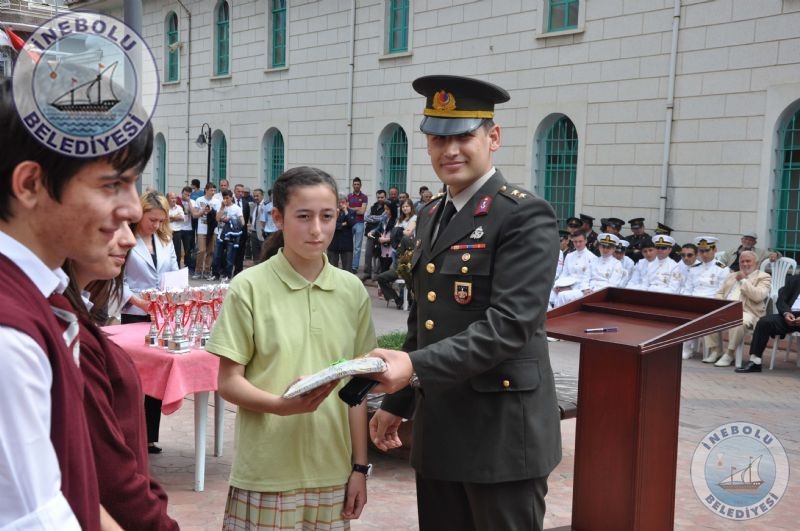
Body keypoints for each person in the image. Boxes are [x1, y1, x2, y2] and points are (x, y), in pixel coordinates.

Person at [367, 75, 561, 531]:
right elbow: (425, 319)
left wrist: (412, 367)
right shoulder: (432, 214)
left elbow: (509, 325)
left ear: (493, 138)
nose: (449, 150)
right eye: (438, 139)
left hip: (501, 434)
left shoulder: (523, 215)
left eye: (463, 137)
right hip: (440, 428)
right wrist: (399, 401)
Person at [0, 75, 150, 529]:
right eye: (112, 184)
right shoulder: (10, 333)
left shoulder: (37, 300)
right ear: (31, 184)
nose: (133, 209)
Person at [205, 166, 376, 529]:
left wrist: (359, 467)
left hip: (332, 472)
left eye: (327, 216)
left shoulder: (351, 291)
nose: (317, 229)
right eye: (303, 216)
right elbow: (228, 382)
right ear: (278, 218)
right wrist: (280, 407)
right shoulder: (249, 287)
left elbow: (357, 388)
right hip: (266, 473)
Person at [63, 223, 179, 530]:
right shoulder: (66, 332)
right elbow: (108, 477)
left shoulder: (74, 320)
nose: (128, 239)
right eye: (113, 222)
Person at [121, 192, 180, 454]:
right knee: (133, 375)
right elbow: (117, 278)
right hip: (134, 311)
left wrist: (174, 297)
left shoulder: (166, 239)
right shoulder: (127, 238)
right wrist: (136, 301)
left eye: (160, 221)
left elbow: (174, 272)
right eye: (152, 219)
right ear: (140, 214)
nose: (155, 225)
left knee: (155, 373)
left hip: (161, 314)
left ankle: (149, 436)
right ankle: (129, 433)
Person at [703, 250, 771, 367]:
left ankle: (729, 353)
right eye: (742, 261)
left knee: (739, 320)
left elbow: (758, 296)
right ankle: (716, 350)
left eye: (748, 261)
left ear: (757, 263)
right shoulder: (732, 275)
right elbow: (720, 293)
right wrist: (721, 303)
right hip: (726, 309)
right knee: (707, 318)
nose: (745, 264)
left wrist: (744, 280)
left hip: (749, 312)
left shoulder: (763, 277)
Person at [737, 273, 800, 373]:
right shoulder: (795, 279)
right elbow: (781, 300)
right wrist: (786, 313)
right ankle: (755, 362)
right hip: (790, 315)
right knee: (764, 322)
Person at [680, 236, 729, 360]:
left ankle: (714, 350)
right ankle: (686, 347)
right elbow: (688, 288)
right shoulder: (694, 268)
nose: (704, 254)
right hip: (695, 301)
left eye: (707, 250)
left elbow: (722, 292)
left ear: (715, 250)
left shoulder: (722, 269)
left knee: (704, 315)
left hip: (712, 302)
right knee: (682, 312)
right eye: (701, 251)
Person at [554, 233, 627, 307]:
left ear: (613, 249)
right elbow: (585, 278)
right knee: (562, 295)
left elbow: (612, 285)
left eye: (608, 247)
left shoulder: (617, 264)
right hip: (587, 291)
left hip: (602, 295)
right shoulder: (594, 261)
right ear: (599, 247)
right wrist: (585, 289)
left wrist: (595, 292)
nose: (605, 250)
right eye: (603, 246)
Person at [550, 231, 596, 308]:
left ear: (586, 241)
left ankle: (557, 315)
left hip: (581, 289)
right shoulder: (569, 256)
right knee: (549, 295)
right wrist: (558, 285)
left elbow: (589, 278)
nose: (578, 244)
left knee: (562, 295)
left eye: (580, 241)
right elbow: (564, 274)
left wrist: (570, 288)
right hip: (566, 285)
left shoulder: (592, 258)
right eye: (575, 242)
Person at [212, 189, 245, 281]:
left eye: (227, 198)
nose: (225, 200)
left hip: (231, 235)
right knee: (217, 255)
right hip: (220, 234)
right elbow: (217, 219)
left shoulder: (237, 208)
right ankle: (215, 274)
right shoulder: (221, 207)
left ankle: (227, 275)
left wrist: (230, 220)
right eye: (224, 198)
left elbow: (242, 222)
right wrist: (222, 208)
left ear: (231, 198)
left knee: (229, 256)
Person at [192, 182, 220, 280]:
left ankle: (207, 271)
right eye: (211, 190)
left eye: (214, 190)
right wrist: (202, 211)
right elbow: (194, 215)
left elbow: (218, 217)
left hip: (212, 229)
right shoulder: (199, 200)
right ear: (206, 190)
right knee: (201, 250)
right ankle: (198, 270)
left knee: (210, 251)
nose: (213, 192)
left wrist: (212, 211)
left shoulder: (217, 201)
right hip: (202, 229)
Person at [361, 189, 387, 280]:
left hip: (380, 234)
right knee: (368, 254)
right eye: (378, 197)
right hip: (370, 233)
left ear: (385, 197)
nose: (380, 199)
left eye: (382, 197)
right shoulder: (373, 206)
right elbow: (365, 217)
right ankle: (367, 273)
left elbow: (383, 218)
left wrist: (372, 218)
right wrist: (377, 218)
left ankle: (377, 274)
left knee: (379, 254)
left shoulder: (387, 207)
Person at [367, 201, 397, 275]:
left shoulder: (396, 220)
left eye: (387, 209)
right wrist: (372, 232)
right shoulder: (384, 218)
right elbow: (378, 227)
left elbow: (396, 235)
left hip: (391, 246)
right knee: (383, 265)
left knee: (389, 266)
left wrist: (386, 239)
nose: (385, 211)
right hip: (383, 245)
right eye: (384, 209)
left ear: (392, 209)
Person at [328, 192, 356, 270]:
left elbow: (351, 223)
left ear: (347, 203)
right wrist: (343, 224)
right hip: (333, 243)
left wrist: (346, 211)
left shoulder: (351, 212)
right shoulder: (332, 212)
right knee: (332, 268)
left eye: (343, 202)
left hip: (346, 244)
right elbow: (331, 225)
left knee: (347, 269)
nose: (340, 204)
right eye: (339, 202)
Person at [348, 177, 369, 274]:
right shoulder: (349, 196)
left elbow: (362, 211)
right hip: (350, 223)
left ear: (360, 185)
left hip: (360, 223)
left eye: (358, 184)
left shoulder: (364, 197)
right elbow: (346, 208)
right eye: (355, 184)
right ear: (353, 185)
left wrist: (351, 208)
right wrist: (357, 208)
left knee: (357, 247)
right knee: (348, 245)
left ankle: (354, 266)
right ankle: (348, 265)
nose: (356, 186)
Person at [232, 183, 251, 275]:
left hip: (242, 231)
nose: (240, 193)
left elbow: (246, 218)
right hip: (231, 230)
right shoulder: (230, 201)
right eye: (238, 191)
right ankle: (227, 271)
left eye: (242, 192)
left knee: (240, 251)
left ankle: (238, 271)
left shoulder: (245, 203)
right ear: (234, 191)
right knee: (230, 251)